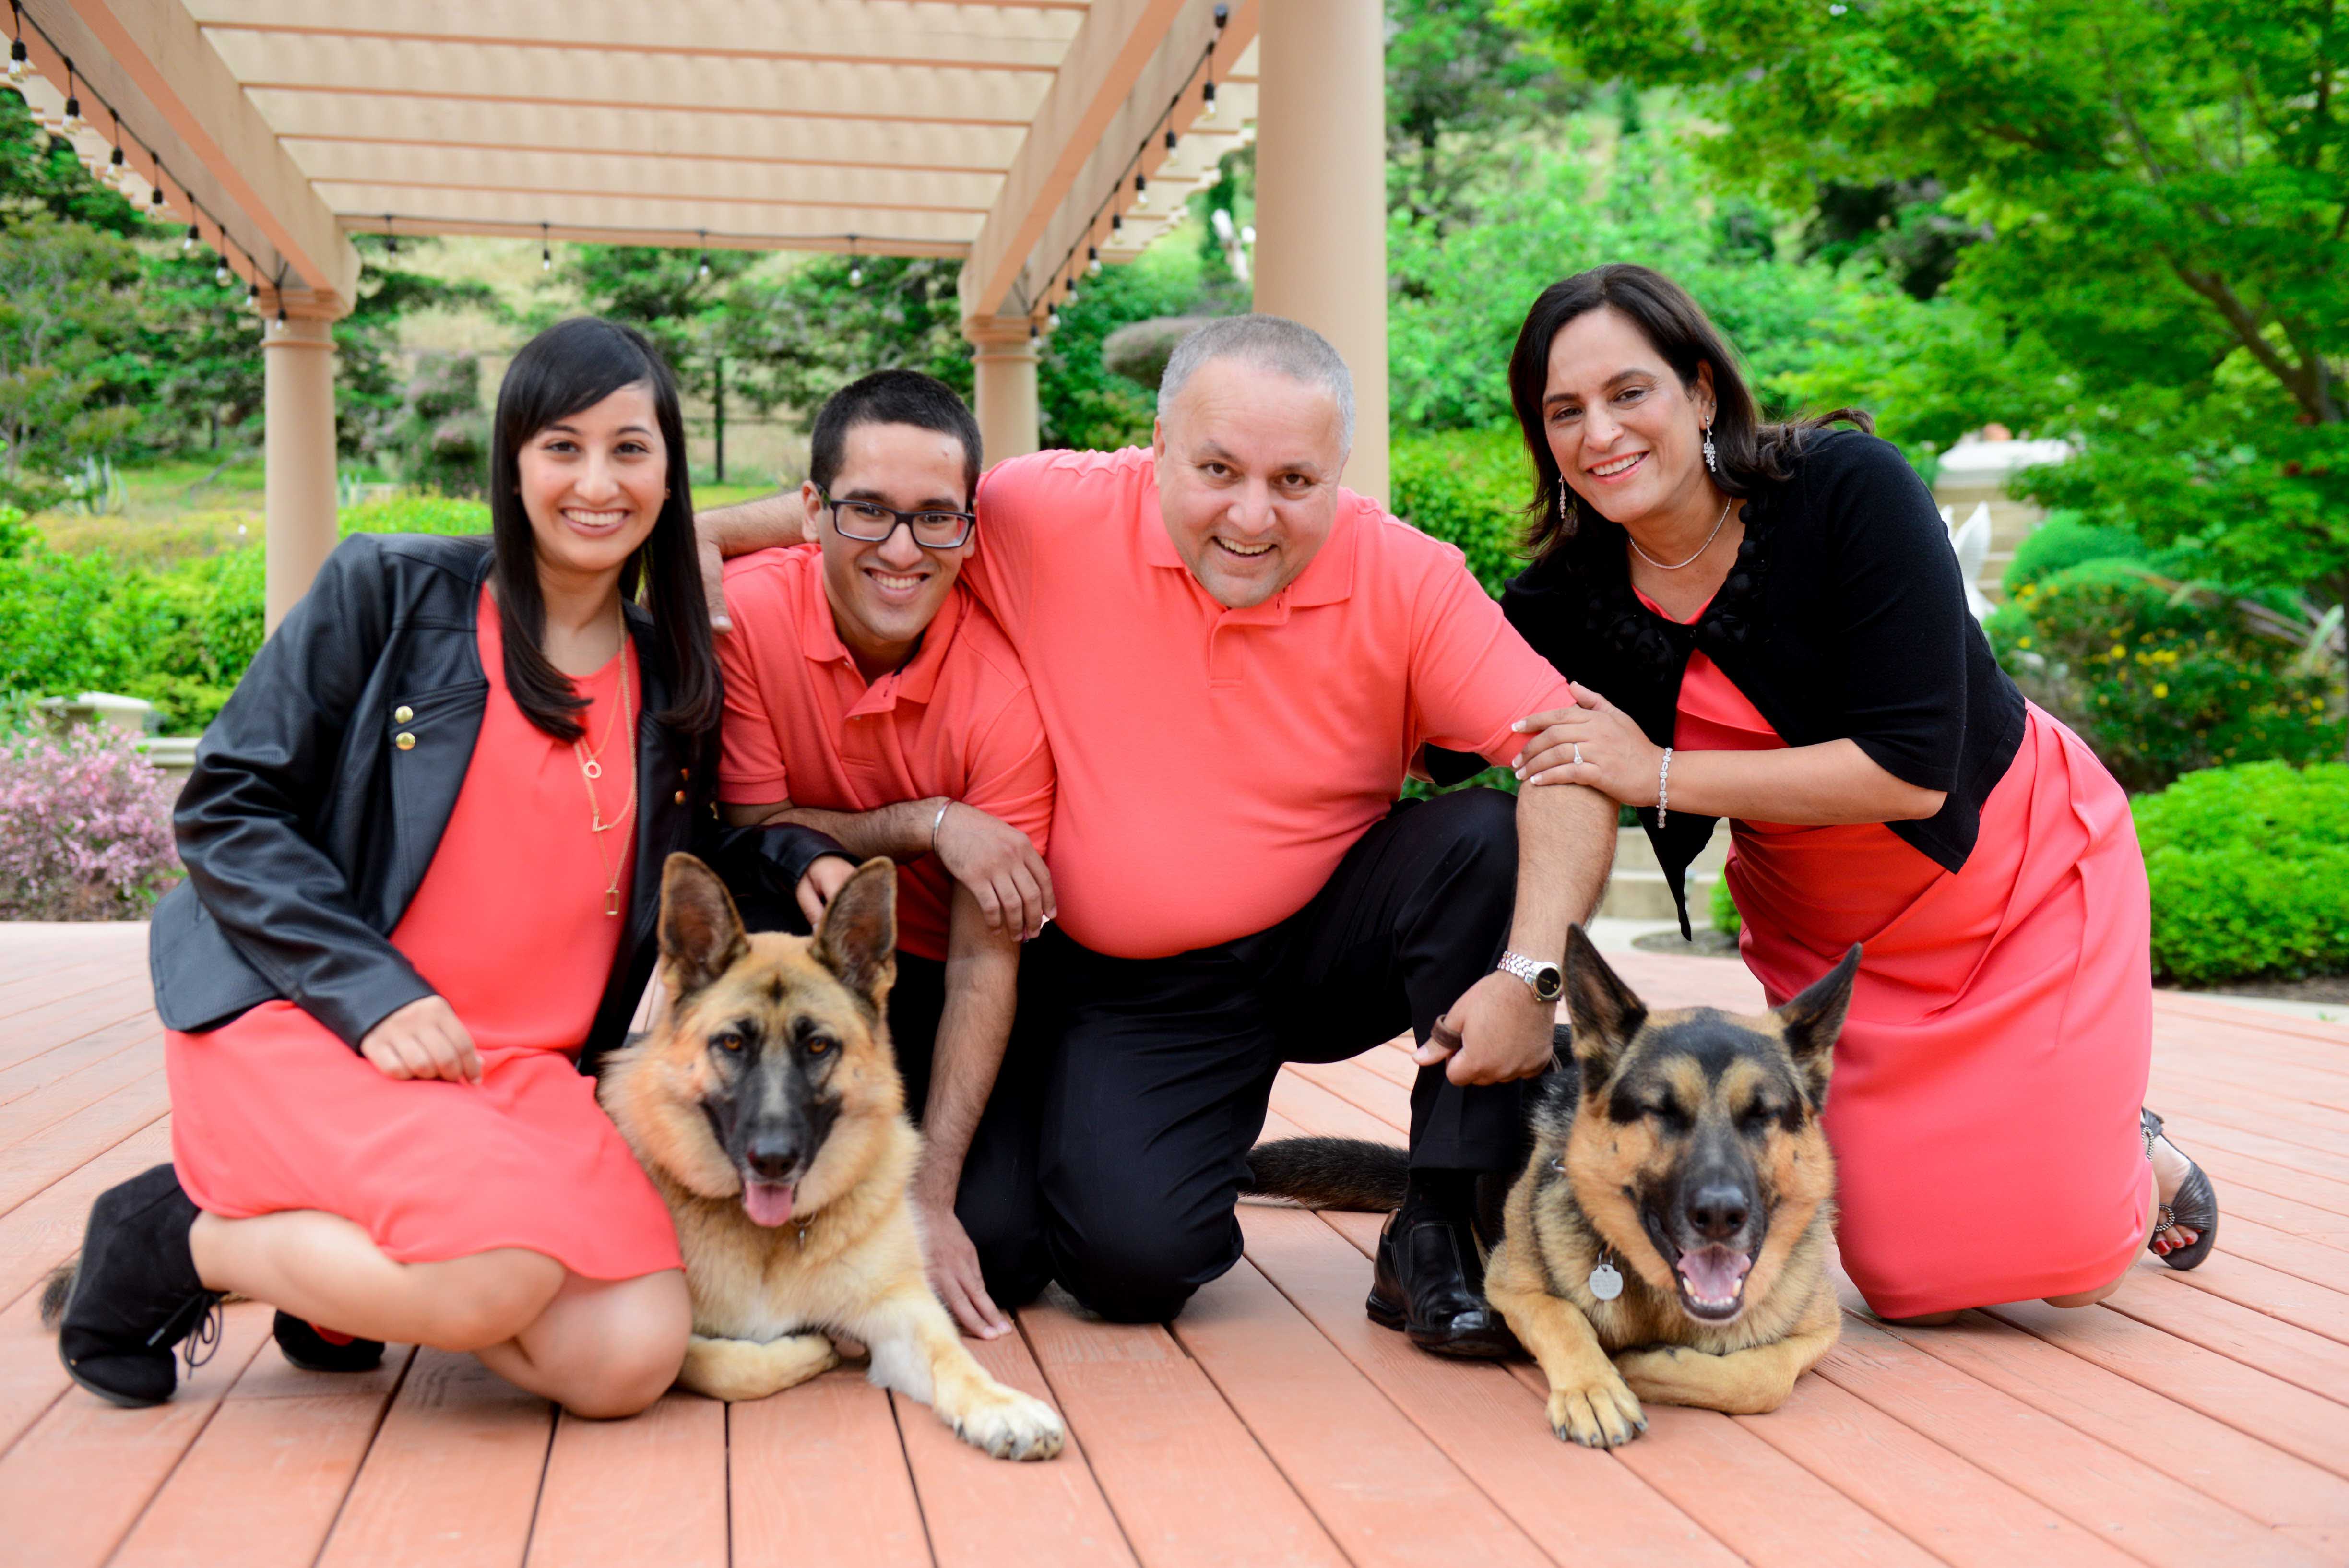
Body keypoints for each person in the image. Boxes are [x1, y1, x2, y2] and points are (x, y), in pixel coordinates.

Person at [702, 316, 1617, 1352]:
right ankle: (1150, 1153)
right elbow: (894, 509)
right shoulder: (1047, 511)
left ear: (1339, 471)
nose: (1252, 516)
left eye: (1295, 481)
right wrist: (701, 535)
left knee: (1486, 838)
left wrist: (1534, 976)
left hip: (1322, 936)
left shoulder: (1406, 575)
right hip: (1141, 987)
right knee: (1128, 1259)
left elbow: (1574, 757)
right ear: (1158, 448)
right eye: (1218, 470)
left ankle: (1443, 1221)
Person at [52, 318, 847, 1414]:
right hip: (320, 1022)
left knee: (627, 1358)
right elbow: (228, 805)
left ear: (670, 474)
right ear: (513, 465)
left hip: (512, 1071)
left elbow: (667, 857)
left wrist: (795, 853)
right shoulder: (392, 595)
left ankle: (337, 1282)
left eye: (630, 449)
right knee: (491, 1278)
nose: (597, 483)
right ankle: (176, 1238)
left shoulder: (672, 674)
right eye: (562, 447)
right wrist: (373, 991)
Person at [1469, 263, 2218, 1322]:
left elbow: (1913, 768)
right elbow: (1443, 711)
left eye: (1629, 392)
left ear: (1701, 391)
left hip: (2022, 880)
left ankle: (2130, 1146)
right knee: (1910, 1280)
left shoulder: (1844, 488)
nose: (1600, 433)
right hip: (1834, 952)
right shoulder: (1568, 597)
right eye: (1564, 412)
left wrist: (1655, 772)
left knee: (2073, 1264)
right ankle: (2076, 1136)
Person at [691, 369, 1054, 1341]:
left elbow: (983, 961)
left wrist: (929, 1198)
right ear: (811, 511)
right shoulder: (747, 616)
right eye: (868, 511)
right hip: (795, 946)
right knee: (772, 868)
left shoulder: (1003, 697)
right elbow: (761, 824)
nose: (901, 550)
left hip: (937, 973)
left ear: (969, 531)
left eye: (935, 518)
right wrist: (928, 822)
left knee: (1003, 1247)